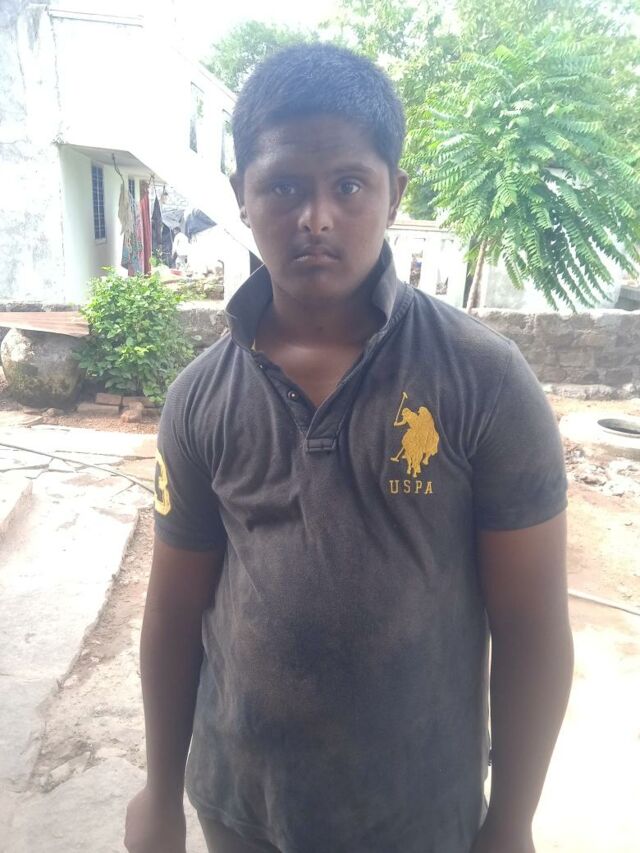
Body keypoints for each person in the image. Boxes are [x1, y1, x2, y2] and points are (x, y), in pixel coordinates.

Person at [125, 44, 573, 853]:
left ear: (394, 193)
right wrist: (160, 792)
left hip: (417, 820)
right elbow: (174, 611)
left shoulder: (483, 380)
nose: (317, 218)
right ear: (242, 194)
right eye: (284, 186)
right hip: (242, 809)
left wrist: (511, 819)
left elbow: (532, 624)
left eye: (349, 185)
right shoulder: (201, 397)